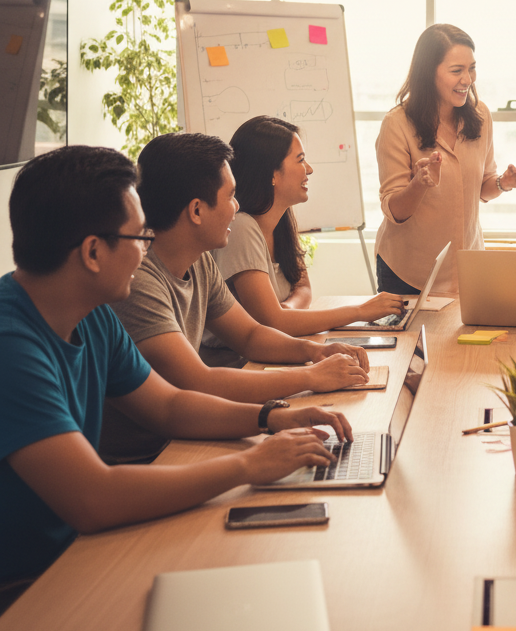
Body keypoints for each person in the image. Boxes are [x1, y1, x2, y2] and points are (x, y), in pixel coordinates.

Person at [0, 146, 350, 597]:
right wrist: (247, 464)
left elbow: (168, 405)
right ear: (92, 252)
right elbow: (94, 497)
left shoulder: (93, 313)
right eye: (139, 238)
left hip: (79, 549)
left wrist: (270, 417)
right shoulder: (12, 345)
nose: (147, 249)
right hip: (28, 582)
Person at [100, 132, 370, 464]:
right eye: (230, 196)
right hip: (149, 456)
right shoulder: (136, 281)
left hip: (188, 435)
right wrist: (309, 377)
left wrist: (316, 352)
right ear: (196, 211)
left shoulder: (197, 259)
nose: (238, 207)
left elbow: (250, 335)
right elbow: (199, 382)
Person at [375, 24, 516, 295]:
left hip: (467, 269)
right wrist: (419, 184)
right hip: (408, 273)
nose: (468, 79)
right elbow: (395, 211)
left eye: (472, 68)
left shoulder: (480, 115)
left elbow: (482, 187)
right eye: (457, 71)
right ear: (428, 73)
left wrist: (503, 183)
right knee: (412, 340)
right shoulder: (397, 124)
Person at [214, 115, 405, 334]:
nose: (309, 169)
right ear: (271, 174)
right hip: (238, 362)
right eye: (300, 159)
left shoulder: (281, 219)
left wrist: (287, 311)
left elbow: (303, 288)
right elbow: (272, 324)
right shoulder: (241, 228)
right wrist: (360, 311)